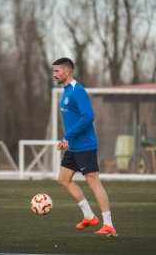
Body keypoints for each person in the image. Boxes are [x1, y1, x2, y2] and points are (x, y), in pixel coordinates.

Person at [52, 57, 117, 236]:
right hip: (73, 146)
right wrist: (68, 139)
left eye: (57, 71)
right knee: (63, 179)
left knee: (93, 183)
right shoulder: (66, 92)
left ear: (67, 71)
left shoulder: (77, 91)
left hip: (85, 146)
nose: (54, 75)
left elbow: (88, 117)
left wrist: (68, 136)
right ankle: (89, 216)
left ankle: (109, 225)